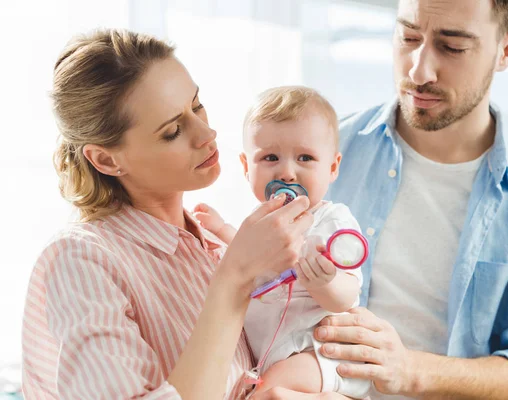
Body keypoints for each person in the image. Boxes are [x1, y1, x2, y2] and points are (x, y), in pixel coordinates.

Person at [293, 0, 508, 399]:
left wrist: (411, 370)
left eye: (452, 47)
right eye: (408, 37)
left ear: (507, 50)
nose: (418, 71)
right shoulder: (317, 159)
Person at [20, 29, 343, 400]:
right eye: (173, 130)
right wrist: (233, 279)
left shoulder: (215, 248)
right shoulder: (81, 261)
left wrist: (353, 351)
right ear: (107, 160)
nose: (207, 133)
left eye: (197, 104)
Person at [194, 86, 370, 398]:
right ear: (247, 167)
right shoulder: (261, 220)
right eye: (270, 157)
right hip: (274, 353)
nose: (287, 172)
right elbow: (249, 256)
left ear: (332, 167)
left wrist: (325, 281)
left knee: (268, 389)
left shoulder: (333, 222)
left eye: (306, 158)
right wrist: (222, 231)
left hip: (319, 351)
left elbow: (346, 297)